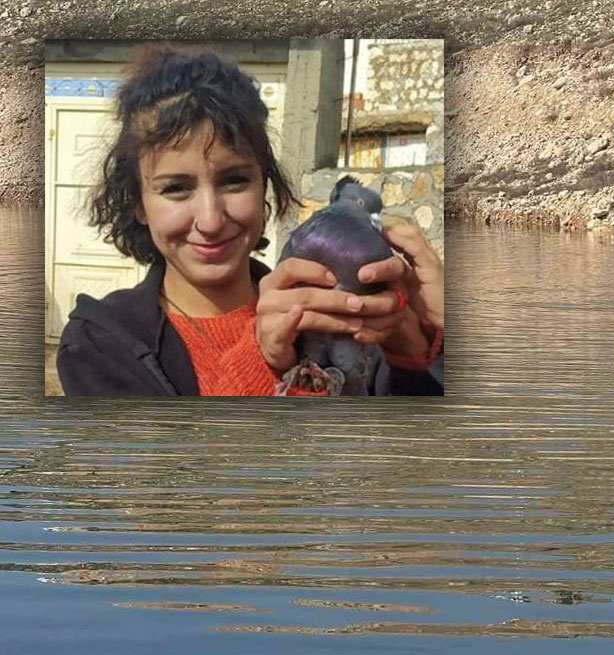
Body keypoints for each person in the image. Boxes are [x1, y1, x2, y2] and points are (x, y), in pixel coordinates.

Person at [56, 46, 443, 396]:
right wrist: (263, 363)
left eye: (235, 181)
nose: (210, 220)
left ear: (265, 187)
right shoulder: (99, 344)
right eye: (175, 188)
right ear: (138, 202)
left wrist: (420, 349)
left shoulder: (345, 315)